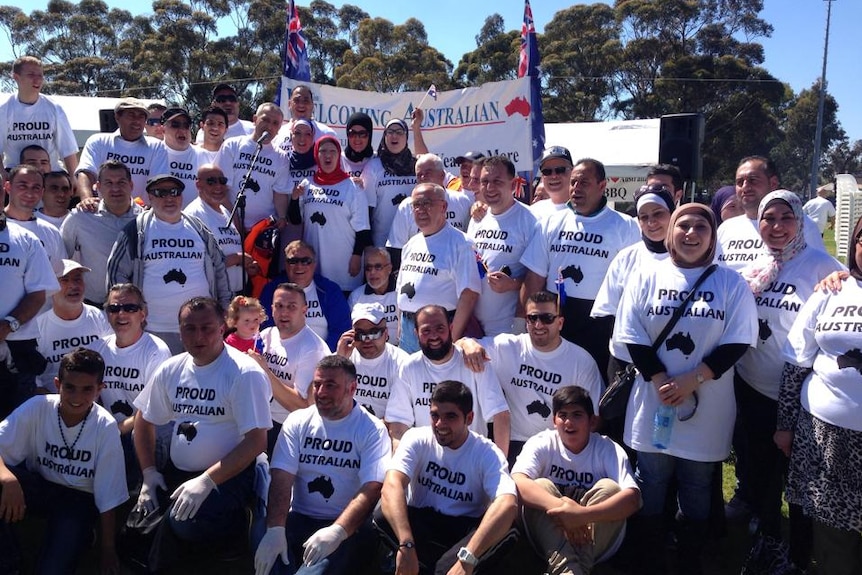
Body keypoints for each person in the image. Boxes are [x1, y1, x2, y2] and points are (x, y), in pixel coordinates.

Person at [614, 203, 757, 573]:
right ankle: (649, 554)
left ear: (712, 236)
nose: (691, 234)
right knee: (652, 480)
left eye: (701, 228)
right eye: (684, 226)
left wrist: (693, 379)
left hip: (706, 406)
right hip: (654, 399)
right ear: (671, 231)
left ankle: (690, 557)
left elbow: (739, 340)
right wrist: (663, 380)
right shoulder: (647, 274)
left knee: (697, 483)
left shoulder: (730, 282)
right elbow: (631, 335)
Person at [733, 190, 843, 572]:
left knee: (798, 479)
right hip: (751, 384)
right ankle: (767, 535)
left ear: (800, 221)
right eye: (769, 218)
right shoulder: (756, 265)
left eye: (786, 218)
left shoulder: (822, 266)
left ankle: (799, 551)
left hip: (795, 392)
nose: (777, 227)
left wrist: (840, 278)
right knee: (761, 467)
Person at [131, 297, 271, 570]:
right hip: (177, 472)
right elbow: (143, 419)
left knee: (182, 523)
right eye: (189, 328)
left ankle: (235, 533)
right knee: (140, 521)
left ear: (223, 328)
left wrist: (207, 480)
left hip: (230, 476)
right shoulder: (172, 368)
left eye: (207, 328)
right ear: (179, 330)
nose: (198, 336)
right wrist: (148, 473)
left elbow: (257, 441)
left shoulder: (244, 373)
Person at [775, 213, 862, 575]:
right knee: (833, 539)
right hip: (825, 435)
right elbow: (797, 363)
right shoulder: (832, 290)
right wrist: (785, 425)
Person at [254, 355, 389, 575]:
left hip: (345, 526)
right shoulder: (298, 421)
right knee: (265, 540)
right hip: (298, 517)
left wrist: (338, 530)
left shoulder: (371, 429)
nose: (322, 392)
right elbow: (281, 476)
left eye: (331, 385)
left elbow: (371, 488)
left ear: (352, 388)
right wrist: (276, 528)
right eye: (317, 384)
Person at [0, 348, 127, 574]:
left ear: (100, 389)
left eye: (87, 389)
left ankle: (83, 534)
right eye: (70, 387)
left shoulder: (105, 426)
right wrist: (7, 478)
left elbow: (109, 494)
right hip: (41, 486)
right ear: (58, 384)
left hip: (78, 500)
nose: (77, 397)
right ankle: (8, 564)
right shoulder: (38, 406)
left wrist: (108, 550)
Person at [378, 380, 518, 574]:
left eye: (450, 416)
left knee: (506, 532)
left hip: (461, 529)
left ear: (469, 418)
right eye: (435, 415)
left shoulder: (487, 452)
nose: (440, 424)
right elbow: (391, 485)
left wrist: (467, 558)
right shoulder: (417, 438)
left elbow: (507, 503)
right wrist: (406, 544)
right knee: (380, 515)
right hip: (422, 523)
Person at [522, 155, 640, 380]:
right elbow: (534, 276)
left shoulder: (625, 226)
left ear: (602, 186)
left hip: (600, 323)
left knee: (593, 389)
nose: (576, 188)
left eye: (584, 183)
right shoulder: (551, 222)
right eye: (573, 182)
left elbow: (633, 286)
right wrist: (529, 319)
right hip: (556, 316)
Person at [459, 291, 603, 465]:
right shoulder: (509, 347)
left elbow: (594, 421)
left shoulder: (581, 361)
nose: (538, 324)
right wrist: (468, 343)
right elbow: (460, 346)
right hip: (515, 443)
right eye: (532, 318)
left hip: (558, 447)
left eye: (547, 318)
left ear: (560, 323)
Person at [512, 386, 642, 575]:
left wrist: (582, 515)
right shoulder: (541, 442)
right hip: (548, 539)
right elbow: (517, 482)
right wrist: (565, 510)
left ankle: (569, 570)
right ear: (553, 420)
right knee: (541, 485)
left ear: (592, 421)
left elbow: (633, 499)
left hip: (597, 538)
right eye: (562, 415)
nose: (569, 422)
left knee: (610, 489)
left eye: (577, 415)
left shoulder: (607, 448)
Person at [106, 174, 231, 353]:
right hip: (154, 330)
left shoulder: (198, 227)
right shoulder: (136, 230)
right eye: (161, 193)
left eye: (174, 192)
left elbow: (219, 267)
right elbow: (116, 275)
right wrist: (126, 316)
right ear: (150, 197)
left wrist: (225, 307)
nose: (169, 198)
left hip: (201, 327)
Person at [386, 305, 510, 456]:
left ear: (451, 328)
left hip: (471, 457)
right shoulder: (409, 367)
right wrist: (399, 461)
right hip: (427, 460)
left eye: (440, 328)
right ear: (416, 334)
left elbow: (500, 414)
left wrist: (500, 466)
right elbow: (399, 424)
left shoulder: (474, 361)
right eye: (426, 331)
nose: (434, 336)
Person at [90, 283, 171, 486]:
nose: (121, 314)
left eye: (130, 308)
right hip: (112, 429)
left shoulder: (156, 351)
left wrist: (114, 430)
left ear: (142, 314)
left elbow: (152, 411)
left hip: (144, 429)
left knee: (140, 433)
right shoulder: (99, 349)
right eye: (114, 308)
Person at [395, 183, 481, 353]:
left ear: (443, 206)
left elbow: (469, 295)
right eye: (416, 205)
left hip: (439, 333)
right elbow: (400, 289)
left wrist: (452, 340)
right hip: (408, 330)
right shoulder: (411, 244)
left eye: (427, 203)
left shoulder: (461, 244)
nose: (420, 210)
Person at [250, 282, 329, 454]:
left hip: (288, 429)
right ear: (271, 309)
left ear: (304, 310)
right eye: (279, 306)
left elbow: (301, 406)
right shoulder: (265, 335)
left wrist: (265, 371)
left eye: (291, 307)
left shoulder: (312, 348)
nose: (284, 312)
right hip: (259, 420)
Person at [287, 135, 371, 293]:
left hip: (344, 266)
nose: (328, 155)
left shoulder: (352, 187)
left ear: (339, 155)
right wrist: (293, 199)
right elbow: (296, 220)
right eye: (323, 151)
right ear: (316, 155)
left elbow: (363, 228)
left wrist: (357, 256)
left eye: (332, 151)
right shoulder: (306, 184)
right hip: (314, 265)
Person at [0, 201, 58, 419]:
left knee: (15, 426)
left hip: (18, 349)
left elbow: (38, 294)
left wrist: (8, 326)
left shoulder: (26, 239)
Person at [716, 156, 825, 270]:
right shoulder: (726, 228)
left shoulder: (802, 226)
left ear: (773, 183)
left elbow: (820, 268)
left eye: (753, 180)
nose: (745, 187)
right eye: (739, 182)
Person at [468, 155, 536, 336]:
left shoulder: (530, 221)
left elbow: (540, 277)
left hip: (508, 329)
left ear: (513, 185)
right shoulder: (477, 218)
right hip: (473, 325)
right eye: (485, 181)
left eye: (497, 181)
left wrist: (512, 284)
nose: (489, 188)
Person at [61, 159, 144, 306]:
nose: (115, 189)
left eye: (121, 183)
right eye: (109, 183)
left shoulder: (145, 219)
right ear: (98, 187)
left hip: (134, 308)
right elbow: (60, 258)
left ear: (131, 185)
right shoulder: (81, 217)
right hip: (92, 305)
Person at [259, 241, 351, 351]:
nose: (299, 266)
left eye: (305, 261)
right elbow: (264, 326)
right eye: (293, 261)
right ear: (285, 264)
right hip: (281, 356)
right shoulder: (272, 290)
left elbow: (341, 329)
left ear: (314, 264)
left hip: (323, 357)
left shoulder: (330, 291)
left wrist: (323, 358)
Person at [35, 260, 112, 392]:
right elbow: (34, 380)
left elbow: (114, 357)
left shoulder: (99, 317)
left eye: (77, 279)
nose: (73, 285)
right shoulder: (37, 327)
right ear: (51, 286)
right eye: (64, 280)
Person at [183, 163, 258, 295]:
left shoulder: (226, 212)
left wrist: (246, 266)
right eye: (211, 181)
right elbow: (197, 263)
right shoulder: (194, 214)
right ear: (198, 185)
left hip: (237, 294)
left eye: (222, 181)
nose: (218, 186)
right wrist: (237, 259)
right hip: (214, 295)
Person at [386, 153, 475, 263]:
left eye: (428, 173)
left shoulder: (462, 201)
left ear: (442, 175)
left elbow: (471, 241)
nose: (423, 178)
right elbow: (396, 248)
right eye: (419, 175)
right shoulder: (407, 206)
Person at [76, 97, 170, 201]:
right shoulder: (98, 142)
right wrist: (87, 200)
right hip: (103, 213)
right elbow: (86, 173)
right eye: (131, 115)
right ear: (117, 117)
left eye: (141, 117)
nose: (137, 121)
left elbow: (160, 183)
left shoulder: (157, 147)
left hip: (143, 213)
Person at [216, 102, 289, 233]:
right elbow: (220, 188)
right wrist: (234, 220)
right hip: (229, 224)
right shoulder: (232, 145)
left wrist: (282, 217)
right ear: (255, 119)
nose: (269, 126)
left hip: (262, 230)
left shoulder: (281, 157)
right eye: (265, 120)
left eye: (275, 123)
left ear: (279, 128)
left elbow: (280, 193)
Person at [0, 56, 78, 174]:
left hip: (51, 173)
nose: (37, 80)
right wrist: (2, 174)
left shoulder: (54, 108)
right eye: (31, 75)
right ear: (16, 77)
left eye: (40, 76)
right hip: (16, 173)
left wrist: (73, 177)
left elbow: (68, 150)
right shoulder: (4, 110)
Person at [335, 302, 408, 419]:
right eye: (360, 334)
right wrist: (339, 361)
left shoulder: (402, 363)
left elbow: (399, 417)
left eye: (374, 333)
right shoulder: (342, 357)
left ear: (386, 333)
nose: (367, 340)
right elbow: (321, 401)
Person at [361, 118, 417, 247]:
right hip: (382, 242)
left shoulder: (416, 165)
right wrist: (367, 245)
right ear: (384, 136)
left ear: (406, 136)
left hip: (413, 241)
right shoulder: (374, 167)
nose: (394, 136)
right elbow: (367, 210)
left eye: (399, 132)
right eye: (390, 132)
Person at [3, 164, 66, 265]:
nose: (29, 193)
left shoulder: (51, 232)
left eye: (36, 188)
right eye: (22, 186)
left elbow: (61, 276)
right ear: (8, 187)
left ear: (42, 192)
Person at [347, 246, 399, 344]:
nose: (372, 272)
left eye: (378, 267)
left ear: (389, 268)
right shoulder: (356, 296)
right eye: (368, 268)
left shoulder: (400, 293)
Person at [271, 84, 336, 154]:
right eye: (297, 100)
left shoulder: (327, 134)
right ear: (289, 104)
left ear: (312, 105)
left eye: (306, 101)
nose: (301, 104)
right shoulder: (278, 133)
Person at [161, 107, 203, 207]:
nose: (182, 130)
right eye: (175, 125)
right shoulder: (154, 152)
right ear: (163, 129)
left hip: (193, 220)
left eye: (186, 126)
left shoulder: (203, 155)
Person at [529, 145, 573, 222]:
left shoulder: (588, 211)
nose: (554, 176)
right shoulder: (531, 213)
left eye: (560, 170)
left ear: (573, 172)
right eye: (547, 171)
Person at [341, 111, 375, 178]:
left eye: (362, 134)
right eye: (352, 133)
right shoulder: (339, 160)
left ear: (369, 136)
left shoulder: (376, 160)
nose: (357, 138)